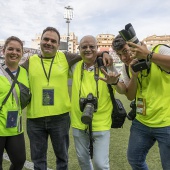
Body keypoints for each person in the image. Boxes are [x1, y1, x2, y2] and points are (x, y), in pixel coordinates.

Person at [21, 27, 112, 170]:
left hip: (60, 118)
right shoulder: (30, 61)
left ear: (58, 45)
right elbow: (13, 71)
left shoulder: (66, 57)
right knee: (38, 161)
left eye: (53, 41)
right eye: (46, 39)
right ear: (40, 41)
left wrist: (104, 52)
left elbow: (88, 53)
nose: (49, 43)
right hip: (35, 119)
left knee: (62, 160)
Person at [112, 35, 170, 170]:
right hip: (142, 122)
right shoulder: (126, 68)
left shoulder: (159, 49)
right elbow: (130, 96)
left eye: (125, 51)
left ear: (134, 46)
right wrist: (134, 75)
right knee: (134, 159)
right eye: (119, 55)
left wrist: (149, 56)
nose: (123, 58)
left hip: (166, 123)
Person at [70, 35, 122, 170]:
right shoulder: (74, 66)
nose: (88, 49)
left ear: (97, 48)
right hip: (79, 122)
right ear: (79, 49)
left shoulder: (107, 66)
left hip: (102, 123)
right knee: (83, 160)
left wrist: (115, 82)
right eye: (84, 47)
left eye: (92, 46)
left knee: (100, 164)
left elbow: (123, 90)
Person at [0, 36, 29, 170]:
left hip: (15, 126)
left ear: (22, 53)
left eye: (18, 50)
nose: (14, 52)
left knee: (19, 161)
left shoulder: (25, 73)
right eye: (10, 49)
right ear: (3, 50)